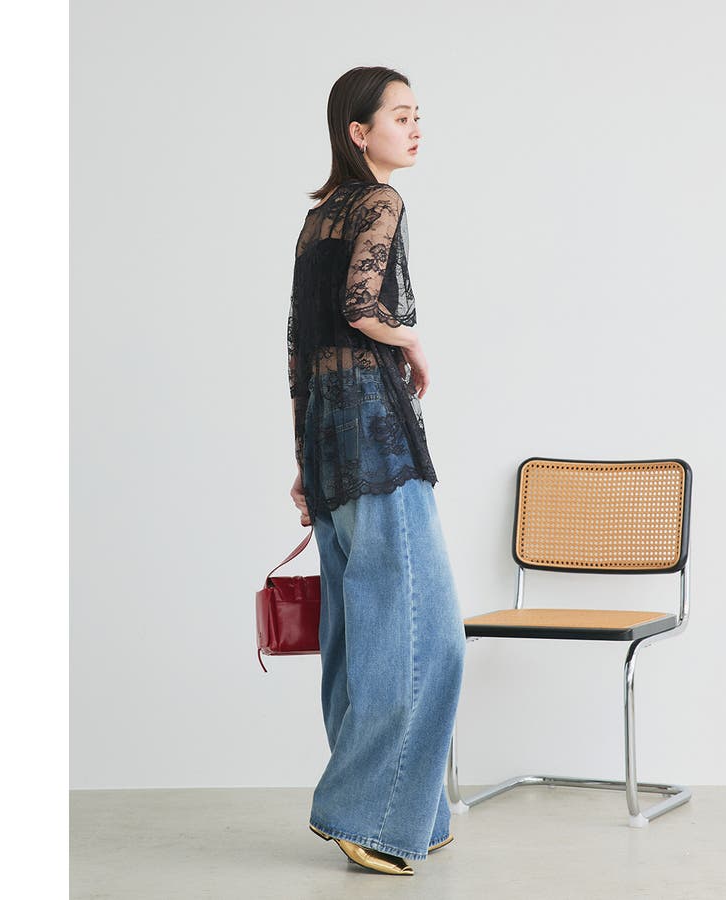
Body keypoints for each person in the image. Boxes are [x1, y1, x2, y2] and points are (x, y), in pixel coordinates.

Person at [286, 67, 466, 877]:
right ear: (359, 132)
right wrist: (413, 341)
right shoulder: (380, 202)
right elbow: (363, 309)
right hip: (376, 441)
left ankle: (414, 815)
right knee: (423, 636)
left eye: (417, 115)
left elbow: (299, 347)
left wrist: (304, 463)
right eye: (400, 116)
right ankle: (367, 817)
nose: (415, 127)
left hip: (329, 442)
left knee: (358, 638)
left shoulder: (316, 219)